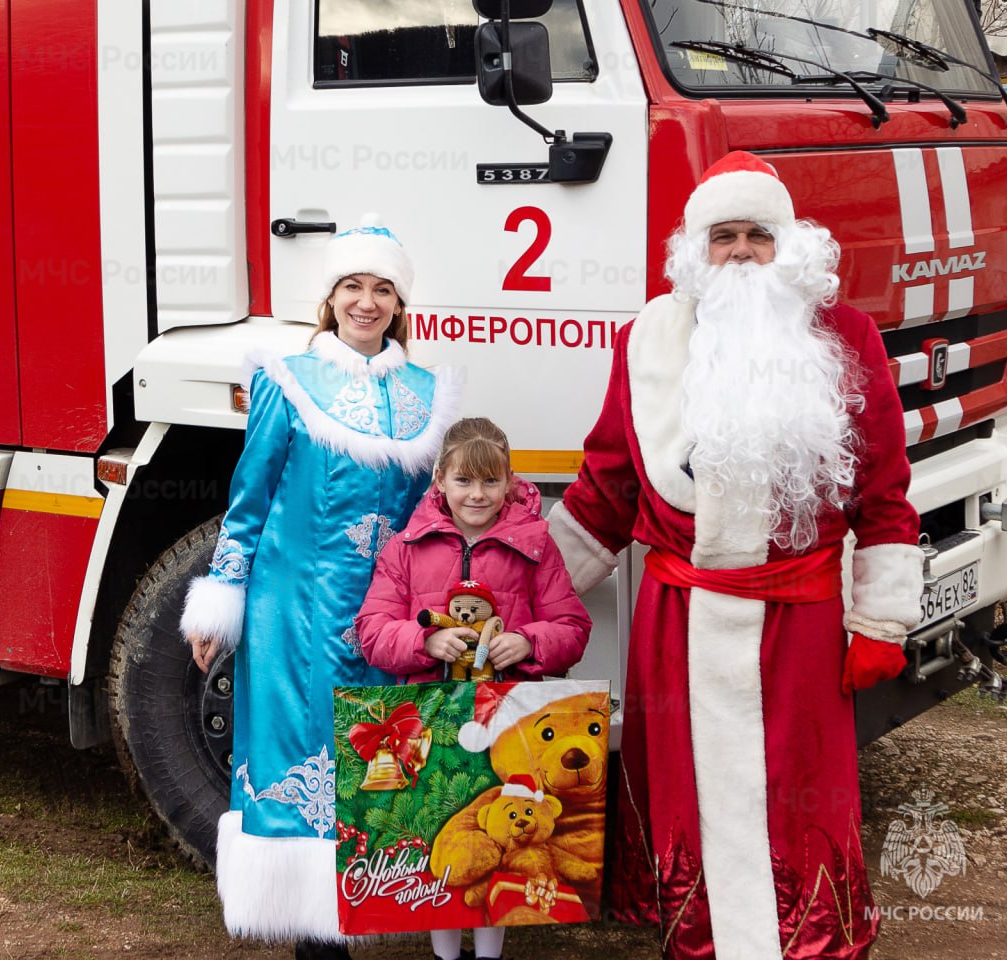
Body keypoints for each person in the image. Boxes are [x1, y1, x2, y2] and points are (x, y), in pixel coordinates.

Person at [547, 151, 923, 959]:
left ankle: (811, 943)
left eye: (760, 234)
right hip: (677, 623)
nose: (744, 252)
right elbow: (607, 487)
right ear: (696, 248)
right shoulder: (648, 340)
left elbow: (885, 492)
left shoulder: (845, 337)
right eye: (725, 236)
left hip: (802, 621)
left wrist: (882, 620)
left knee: (801, 798)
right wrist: (531, 592)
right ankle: (702, 941)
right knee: (685, 792)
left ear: (789, 246)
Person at [180, 216, 461, 958]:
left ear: (399, 304)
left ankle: (364, 904)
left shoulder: (429, 393)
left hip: (386, 618)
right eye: (352, 287)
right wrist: (222, 598)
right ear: (330, 297)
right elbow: (250, 498)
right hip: (291, 611)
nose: (366, 303)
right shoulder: (287, 381)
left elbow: (438, 507)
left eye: (381, 290)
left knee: (381, 752)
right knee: (297, 752)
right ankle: (313, 937)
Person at [356, 416, 592, 960]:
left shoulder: (536, 546)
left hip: (505, 721)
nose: (477, 495)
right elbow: (372, 628)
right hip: (428, 722)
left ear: (509, 481)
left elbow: (572, 627)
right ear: (440, 479)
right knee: (441, 828)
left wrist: (530, 642)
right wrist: (423, 642)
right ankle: (444, 953)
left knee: (502, 837)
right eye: (464, 481)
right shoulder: (407, 547)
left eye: (490, 482)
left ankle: (489, 952)